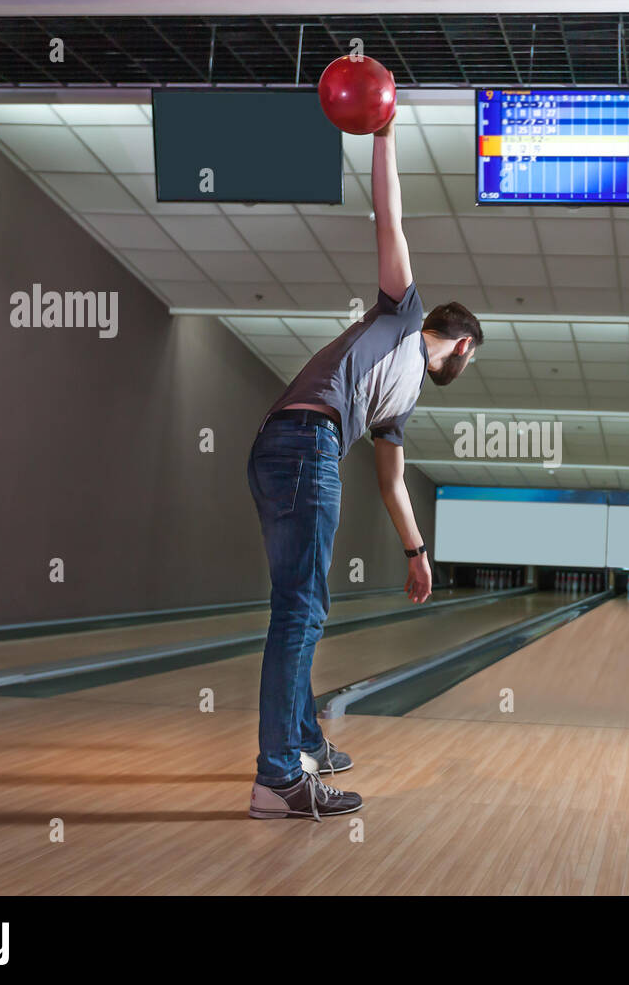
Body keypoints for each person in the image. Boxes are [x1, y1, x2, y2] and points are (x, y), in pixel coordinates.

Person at [246, 114, 484, 821]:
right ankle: (279, 778)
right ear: (463, 346)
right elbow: (390, 217)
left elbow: (390, 482)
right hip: (305, 446)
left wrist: (417, 553)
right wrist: (382, 132)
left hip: (280, 445)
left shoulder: (400, 402)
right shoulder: (405, 315)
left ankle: (303, 745)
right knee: (300, 613)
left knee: (300, 606)